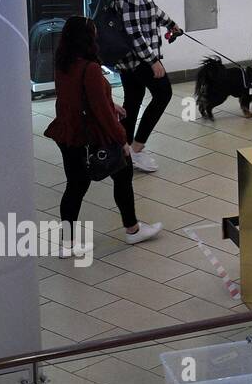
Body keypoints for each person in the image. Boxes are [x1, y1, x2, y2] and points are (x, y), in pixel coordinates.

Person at [45, 17, 163, 246]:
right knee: (123, 175)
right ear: (88, 39)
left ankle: (66, 242)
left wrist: (111, 104)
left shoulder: (63, 63)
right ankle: (133, 229)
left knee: (75, 186)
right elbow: (101, 112)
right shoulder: (90, 68)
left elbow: (76, 98)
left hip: (67, 131)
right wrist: (122, 140)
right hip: (93, 135)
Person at [112, 0, 181, 173]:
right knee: (163, 93)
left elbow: (151, 11)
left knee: (132, 101)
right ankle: (136, 148)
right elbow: (133, 33)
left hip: (134, 59)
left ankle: (123, 149)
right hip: (137, 59)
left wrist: (170, 24)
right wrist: (153, 61)